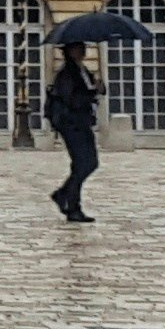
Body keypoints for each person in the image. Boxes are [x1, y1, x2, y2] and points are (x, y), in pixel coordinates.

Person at [42, 42, 102, 222]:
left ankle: (68, 200)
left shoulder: (82, 70)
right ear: (69, 51)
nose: (83, 49)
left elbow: (91, 92)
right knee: (86, 163)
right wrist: (92, 93)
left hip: (82, 122)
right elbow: (71, 100)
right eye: (78, 47)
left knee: (84, 164)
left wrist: (99, 88)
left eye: (83, 46)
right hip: (72, 124)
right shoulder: (67, 73)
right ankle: (69, 201)